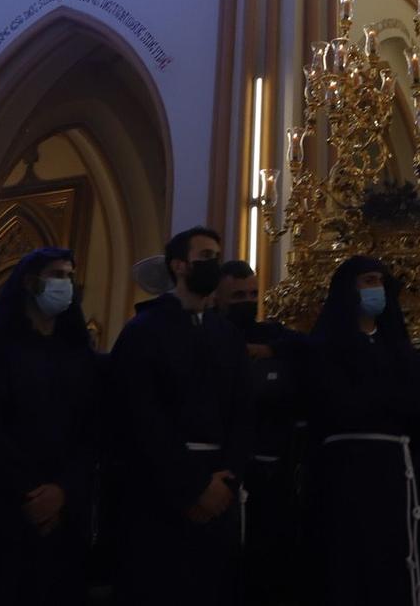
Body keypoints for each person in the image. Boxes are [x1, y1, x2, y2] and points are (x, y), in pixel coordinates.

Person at [103, 225, 249, 606]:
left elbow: (241, 413)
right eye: (205, 257)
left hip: (220, 489)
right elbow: (141, 417)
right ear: (179, 266)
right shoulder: (143, 331)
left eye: (217, 257)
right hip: (161, 494)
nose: (214, 265)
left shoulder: (227, 335)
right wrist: (193, 486)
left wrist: (227, 481)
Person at [0, 247, 96, 606]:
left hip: (65, 505)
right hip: (7, 503)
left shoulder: (76, 350)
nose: (66, 284)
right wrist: (28, 491)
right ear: (31, 283)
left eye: (70, 276)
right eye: (57, 275)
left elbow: (91, 427)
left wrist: (63, 489)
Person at [301, 255, 420, 606]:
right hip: (347, 469)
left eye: (381, 282)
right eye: (368, 280)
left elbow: (417, 402)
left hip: (395, 468)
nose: (377, 289)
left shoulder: (396, 345)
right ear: (349, 289)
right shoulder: (326, 344)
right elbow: (335, 403)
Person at [218, 259, 307, 604]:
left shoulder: (271, 334)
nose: (248, 300)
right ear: (218, 298)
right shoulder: (208, 333)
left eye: (253, 293)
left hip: (273, 468)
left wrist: (267, 350)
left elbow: (304, 347)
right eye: (238, 294)